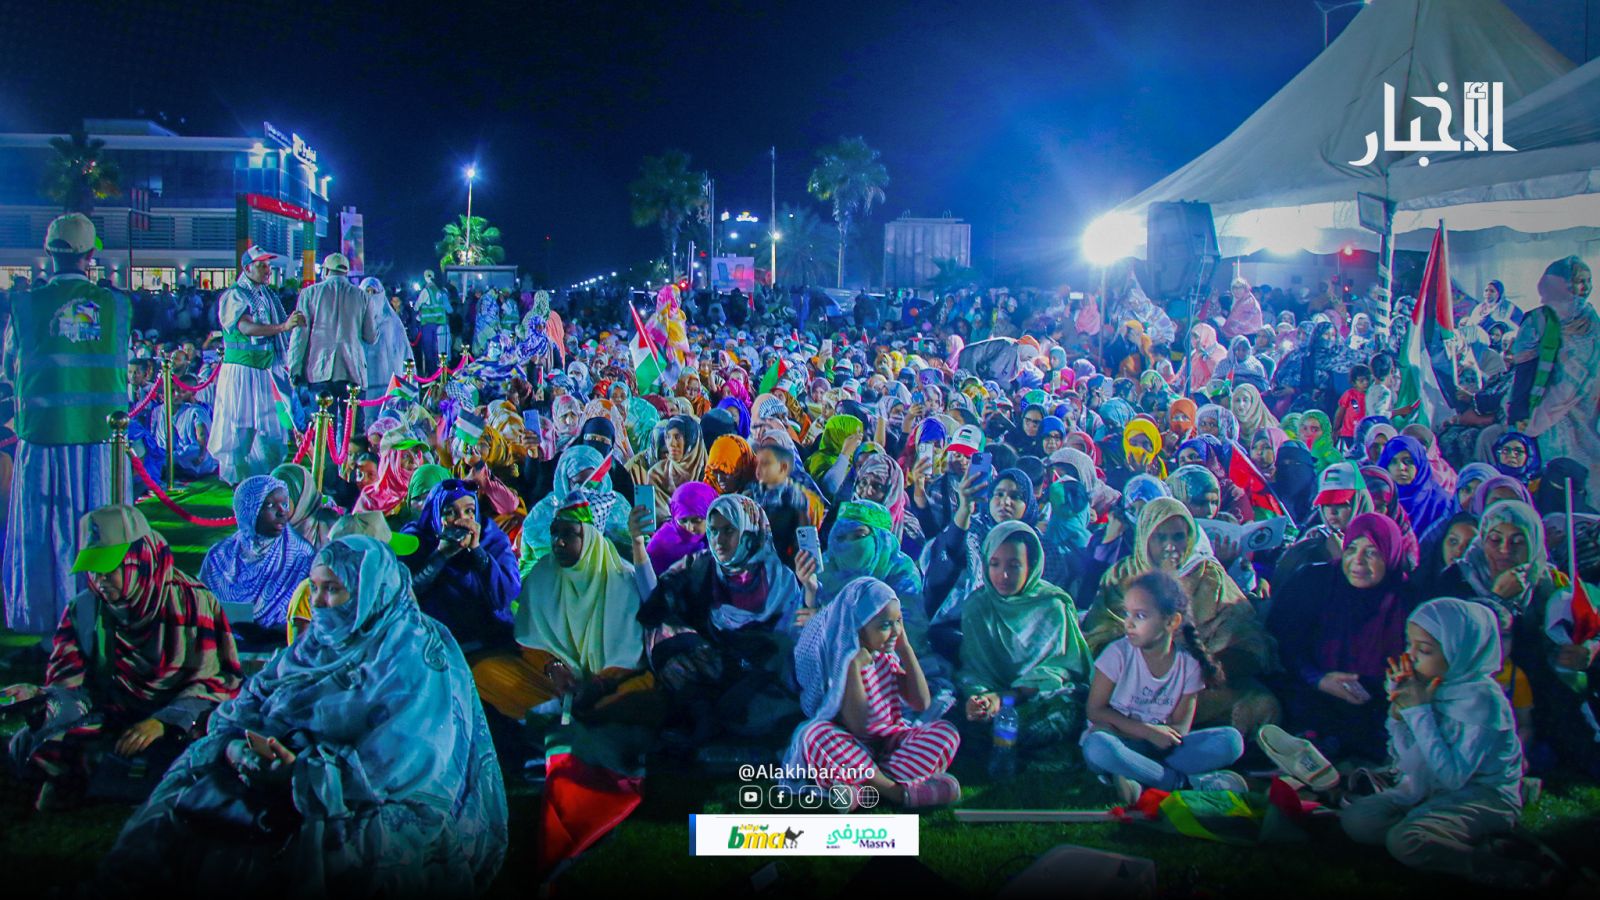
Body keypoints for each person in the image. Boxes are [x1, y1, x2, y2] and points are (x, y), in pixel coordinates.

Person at [99, 536, 508, 897]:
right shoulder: (316, 644)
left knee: (341, 849)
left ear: (369, 593)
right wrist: (238, 748)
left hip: (362, 794)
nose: (319, 602)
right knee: (189, 787)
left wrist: (302, 774)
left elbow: (405, 764)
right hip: (276, 767)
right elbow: (251, 701)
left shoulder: (414, 653)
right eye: (314, 587)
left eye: (333, 590)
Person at [4, 506, 241, 811]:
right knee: (33, 739)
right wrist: (41, 698)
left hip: (183, 718)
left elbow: (214, 684)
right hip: (112, 715)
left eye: (110, 567)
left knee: (210, 744)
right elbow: (73, 689)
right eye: (93, 568)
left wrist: (162, 722)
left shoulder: (192, 602)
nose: (99, 578)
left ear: (139, 560)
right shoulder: (84, 609)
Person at [1340, 598, 1530, 887]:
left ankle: (1504, 867)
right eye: (1409, 644)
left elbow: (1453, 777)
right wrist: (1399, 715)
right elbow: (1404, 758)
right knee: (1357, 820)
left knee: (1406, 842)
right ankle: (1459, 839)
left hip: (1483, 794)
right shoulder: (1430, 686)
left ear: (1460, 652)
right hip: (1430, 786)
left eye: (1425, 650)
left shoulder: (1482, 701)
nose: (1411, 656)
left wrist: (1418, 711)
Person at [3, 214, 131, 633]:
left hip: (43, 440)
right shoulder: (116, 305)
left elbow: (9, 368)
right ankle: (105, 618)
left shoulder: (24, 305)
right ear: (90, 255)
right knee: (101, 530)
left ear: (49, 252)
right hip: (101, 443)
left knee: (46, 534)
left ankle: (48, 625)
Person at [1084, 498, 1278, 737]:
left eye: (1178, 537)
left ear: (1190, 537)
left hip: (1199, 686)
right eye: (1160, 537)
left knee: (1261, 705)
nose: (1170, 546)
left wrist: (1208, 668)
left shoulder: (1209, 576)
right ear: (1145, 537)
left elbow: (1246, 633)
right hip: (1136, 686)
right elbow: (1100, 633)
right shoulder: (1122, 575)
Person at [472, 499, 657, 724]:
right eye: (554, 533)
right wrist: (553, 668)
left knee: (644, 689)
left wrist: (598, 685)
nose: (558, 542)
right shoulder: (542, 574)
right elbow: (530, 644)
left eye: (569, 534)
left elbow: (630, 658)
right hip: (559, 685)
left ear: (589, 537)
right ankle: (573, 719)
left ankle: (561, 719)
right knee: (485, 672)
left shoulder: (621, 579)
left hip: (611, 685)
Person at [785, 577, 961, 809]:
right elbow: (859, 727)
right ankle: (898, 793)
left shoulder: (885, 658)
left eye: (898, 621)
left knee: (946, 732)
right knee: (814, 736)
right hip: (851, 747)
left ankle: (863, 788)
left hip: (890, 745)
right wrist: (854, 668)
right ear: (857, 629)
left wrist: (905, 648)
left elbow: (921, 703)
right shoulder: (843, 665)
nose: (895, 630)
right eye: (885, 625)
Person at [1082, 570, 1246, 803]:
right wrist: (1147, 731)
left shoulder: (1188, 666)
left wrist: (1161, 738)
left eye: (1140, 616)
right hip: (1118, 740)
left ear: (1171, 621)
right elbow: (1095, 711)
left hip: (1163, 749)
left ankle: (1138, 777)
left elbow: (1181, 728)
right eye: (1127, 614)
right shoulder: (1117, 654)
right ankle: (1182, 783)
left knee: (1231, 741)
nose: (1129, 623)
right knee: (1097, 746)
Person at [1271, 513, 1416, 761]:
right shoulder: (1314, 582)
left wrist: (1391, 689)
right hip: (1313, 690)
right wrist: (1319, 679)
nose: (1358, 561)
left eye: (1372, 552)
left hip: (1380, 702)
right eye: (1351, 549)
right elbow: (1284, 643)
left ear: (1390, 555)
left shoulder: (1407, 599)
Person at [959, 522, 1094, 749]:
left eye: (1014, 566)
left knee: (1058, 713)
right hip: (995, 698)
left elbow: (1062, 670)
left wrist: (1005, 697)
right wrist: (981, 699)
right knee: (960, 717)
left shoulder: (1052, 605)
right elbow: (974, 669)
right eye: (994, 564)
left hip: (1041, 696)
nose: (1003, 575)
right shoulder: (977, 606)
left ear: (1031, 565)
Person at [207, 246, 305, 485]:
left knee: (271, 431)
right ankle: (240, 484)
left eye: (268, 265)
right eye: (261, 265)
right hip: (242, 373)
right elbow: (246, 328)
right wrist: (283, 327)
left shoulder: (266, 295)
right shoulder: (235, 296)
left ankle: (265, 481)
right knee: (241, 431)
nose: (267, 270)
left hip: (266, 370)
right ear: (247, 268)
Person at [403, 480, 521, 655]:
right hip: (434, 642)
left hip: (491, 639)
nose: (461, 520)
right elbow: (404, 596)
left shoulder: (491, 537)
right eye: (450, 512)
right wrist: (440, 556)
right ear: (435, 513)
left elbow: (507, 594)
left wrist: (477, 551)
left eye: (469, 511)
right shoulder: (417, 539)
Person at [1506, 256, 1599, 474]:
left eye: (1589, 281)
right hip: (1548, 410)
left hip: (1586, 409)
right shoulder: (1539, 320)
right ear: (1558, 284)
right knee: (1555, 467)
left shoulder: (1592, 320)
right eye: (1579, 281)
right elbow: (1525, 370)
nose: (1585, 287)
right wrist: (1519, 413)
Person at [199, 474, 315, 636]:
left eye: (284, 504)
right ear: (249, 510)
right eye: (270, 505)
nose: (282, 512)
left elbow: (305, 614)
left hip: (279, 644)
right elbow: (204, 606)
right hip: (222, 640)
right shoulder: (219, 556)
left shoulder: (301, 556)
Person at [286, 253, 375, 414]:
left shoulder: (309, 293)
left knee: (323, 425)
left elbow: (300, 336)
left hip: (319, 370)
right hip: (352, 372)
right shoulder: (362, 296)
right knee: (352, 426)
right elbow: (371, 336)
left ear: (326, 271)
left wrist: (294, 369)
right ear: (346, 272)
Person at [413, 269, 453, 376]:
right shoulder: (440, 291)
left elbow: (416, 306)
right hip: (439, 324)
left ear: (425, 277)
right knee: (437, 350)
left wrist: (417, 313)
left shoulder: (426, 291)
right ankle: (439, 372)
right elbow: (449, 309)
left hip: (427, 324)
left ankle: (432, 374)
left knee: (428, 350)